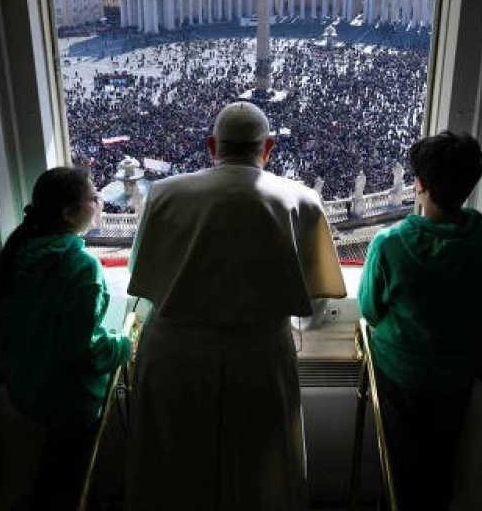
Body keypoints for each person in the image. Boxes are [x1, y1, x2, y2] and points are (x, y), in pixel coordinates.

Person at [126, 101, 346, 511]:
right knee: (258, 474)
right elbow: (313, 309)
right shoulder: (302, 199)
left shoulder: (164, 193)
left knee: (175, 469)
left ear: (212, 145)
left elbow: (143, 276)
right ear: (270, 148)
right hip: (259, 356)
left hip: (174, 355)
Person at [358, 131, 482, 510]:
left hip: (401, 372)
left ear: (419, 184)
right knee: (443, 459)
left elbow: (370, 310)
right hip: (457, 373)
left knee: (401, 462)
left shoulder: (389, 245)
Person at [0, 167, 131, 510]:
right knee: (70, 485)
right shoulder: (80, 266)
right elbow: (82, 350)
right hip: (69, 401)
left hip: (24, 390)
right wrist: (123, 345)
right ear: (69, 212)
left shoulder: (19, 252)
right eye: (93, 198)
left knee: (45, 477)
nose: (99, 204)